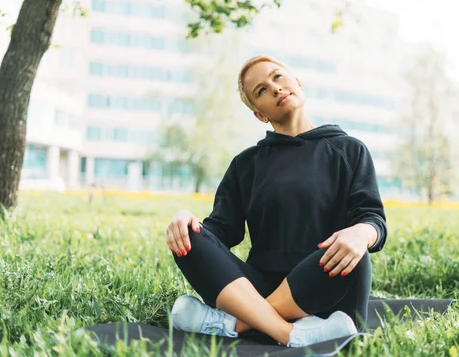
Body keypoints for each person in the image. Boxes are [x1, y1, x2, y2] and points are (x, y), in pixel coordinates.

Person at [165, 55, 388, 348]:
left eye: (278, 77)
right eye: (261, 90)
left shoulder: (349, 150)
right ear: (260, 114)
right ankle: (289, 334)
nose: (274, 88)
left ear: (298, 83)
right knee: (188, 239)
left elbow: (373, 219)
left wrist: (362, 232)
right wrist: (185, 222)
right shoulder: (246, 164)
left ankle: (237, 324)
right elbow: (220, 231)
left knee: (352, 250)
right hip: (257, 287)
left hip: (327, 292)